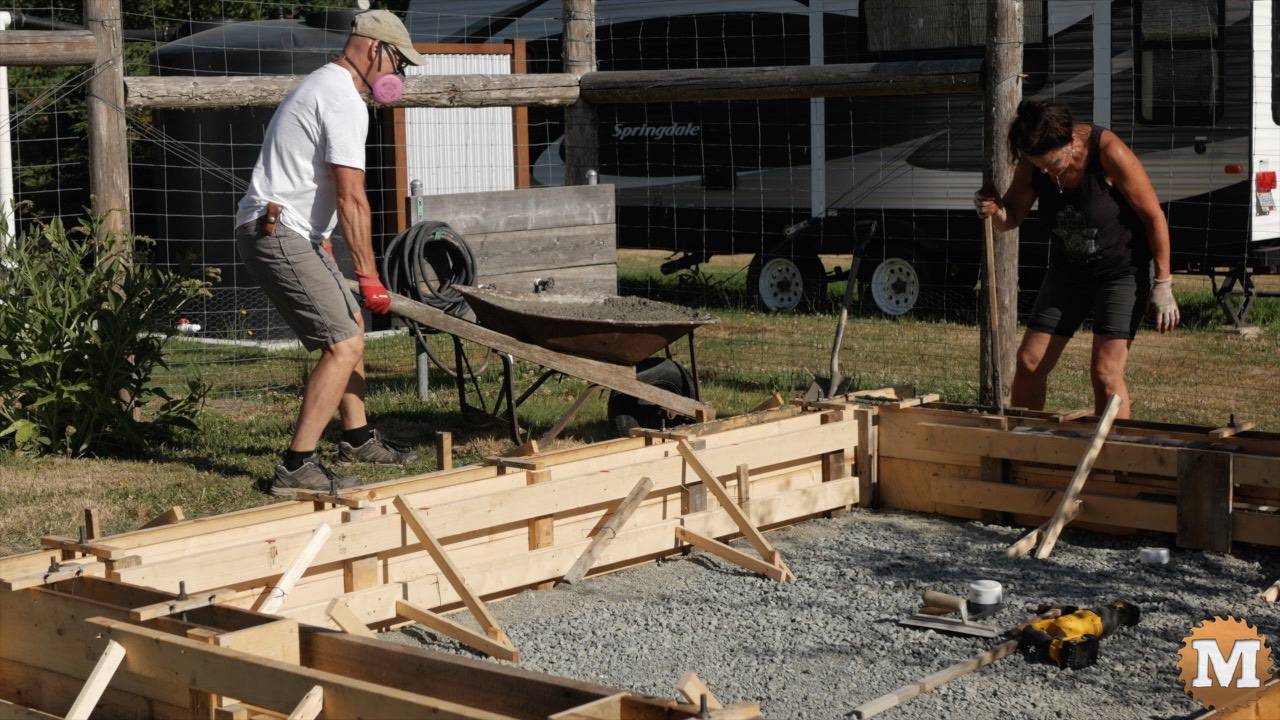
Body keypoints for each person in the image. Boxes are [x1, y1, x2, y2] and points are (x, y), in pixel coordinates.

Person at [235, 10, 425, 495]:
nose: (396, 77)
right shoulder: (343, 99)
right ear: (373, 48)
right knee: (343, 344)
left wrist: (325, 245)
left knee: (350, 329)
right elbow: (351, 198)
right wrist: (369, 277)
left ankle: (358, 438)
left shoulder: (325, 84)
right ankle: (297, 468)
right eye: (397, 64)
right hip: (278, 230)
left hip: (289, 228)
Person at [974, 100, 1180, 419]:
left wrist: (1163, 282)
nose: (1045, 171)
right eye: (1038, 164)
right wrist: (993, 209)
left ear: (1071, 142)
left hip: (1120, 272)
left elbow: (1153, 216)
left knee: (1105, 373)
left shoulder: (1109, 152)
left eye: (1052, 164)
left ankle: (1115, 459)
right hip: (1067, 273)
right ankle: (1023, 449)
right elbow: (1011, 218)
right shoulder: (1035, 164)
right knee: (1029, 362)